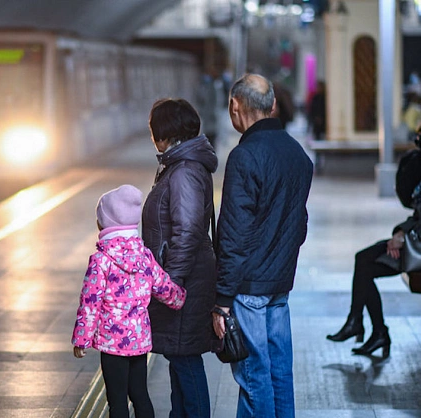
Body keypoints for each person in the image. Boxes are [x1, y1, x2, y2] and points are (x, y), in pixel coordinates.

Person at [212, 74, 313, 418]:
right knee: (279, 373)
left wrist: (222, 301)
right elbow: (299, 225)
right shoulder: (297, 153)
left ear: (234, 108)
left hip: (249, 287)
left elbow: (234, 233)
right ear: (272, 107)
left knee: (254, 378)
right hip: (280, 286)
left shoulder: (245, 156)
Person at [327, 125, 421, 357]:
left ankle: (365, 326)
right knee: (363, 261)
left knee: (365, 266)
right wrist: (400, 234)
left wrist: (403, 238)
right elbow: (419, 217)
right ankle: (364, 325)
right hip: (416, 241)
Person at [72, 184, 187, 418]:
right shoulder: (144, 255)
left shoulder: (101, 260)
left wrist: (82, 339)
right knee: (140, 395)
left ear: (104, 224)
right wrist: (181, 299)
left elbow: (90, 303)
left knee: (117, 401)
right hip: (138, 341)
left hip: (112, 344)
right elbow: (163, 286)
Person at [142, 98, 219, 418]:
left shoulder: (184, 171)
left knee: (185, 361)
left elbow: (187, 231)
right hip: (185, 276)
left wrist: (170, 283)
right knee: (178, 357)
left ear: (163, 133)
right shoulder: (181, 165)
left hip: (184, 281)